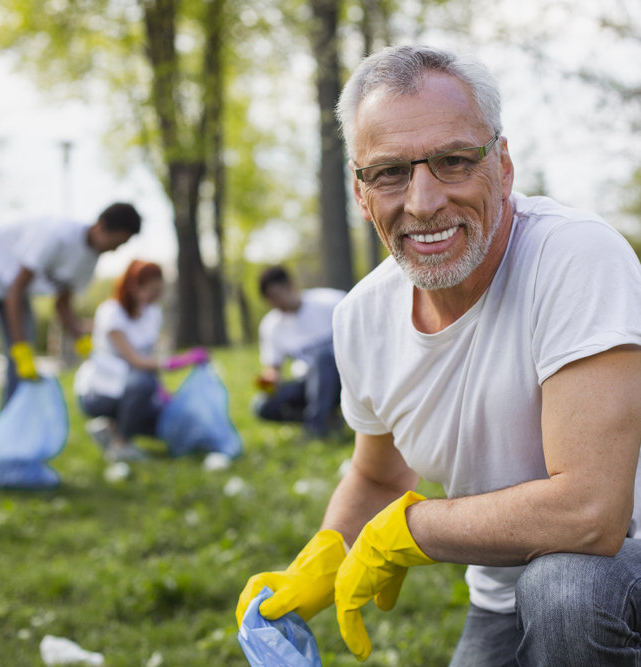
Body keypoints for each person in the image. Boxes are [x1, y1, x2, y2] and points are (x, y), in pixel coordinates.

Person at [237, 45, 641, 665]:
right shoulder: (362, 317)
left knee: (566, 587)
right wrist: (322, 558)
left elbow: (591, 515)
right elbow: (377, 473)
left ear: (501, 165)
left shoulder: (575, 257)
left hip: (613, 569)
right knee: (545, 587)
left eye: (453, 161)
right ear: (360, 191)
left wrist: (413, 530)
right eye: (390, 172)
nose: (423, 202)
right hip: (501, 594)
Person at [0, 202, 141, 405]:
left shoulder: (90, 260)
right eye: (115, 243)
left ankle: (9, 427)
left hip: (15, 289)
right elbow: (15, 290)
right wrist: (20, 349)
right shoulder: (58, 235)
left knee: (20, 367)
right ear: (101, 227)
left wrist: (83, 342)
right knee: (18, 349)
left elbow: (62, 304)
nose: (115, 250)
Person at [74, 259, 207, 462]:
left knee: (164, 421)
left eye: (159, 292)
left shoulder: (152, 312)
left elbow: (149, 356)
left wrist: (162, 393)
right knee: (144, 382)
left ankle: (108, 428)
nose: (155, 297)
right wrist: (178, 362)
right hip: (100, 391)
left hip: (134, 389)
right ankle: (120, 445)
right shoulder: (112, 313)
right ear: (133, 286)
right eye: (151, 291)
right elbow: (135, 360)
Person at [254, 265, 346, 438]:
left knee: (323, 356)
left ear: (290, 286)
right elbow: (273, 368)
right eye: (269, 299)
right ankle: (328, 419)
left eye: (276, 296)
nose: (274, 303)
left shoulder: (331, 302)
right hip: (309, 382)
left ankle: (316, 428)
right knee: (262, 406)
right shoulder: (272, 326)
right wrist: (269, 380)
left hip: (345, 376)